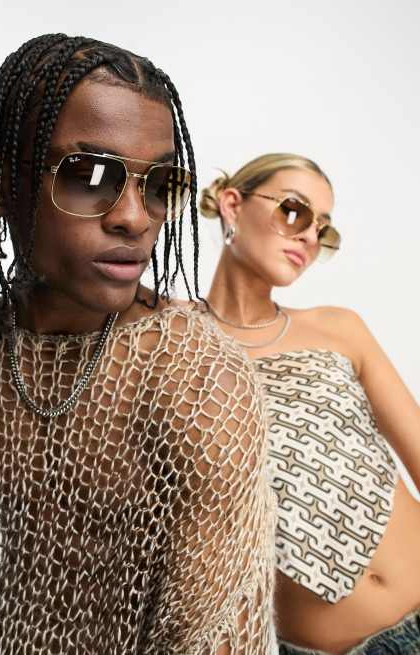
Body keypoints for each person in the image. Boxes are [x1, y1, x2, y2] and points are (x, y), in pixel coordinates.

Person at [0, 35, 276, 654]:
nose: (135, 217)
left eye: (159, 184)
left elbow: (216, 636)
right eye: (90, 175)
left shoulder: (198, 382)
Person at [200, 153, 420, 655]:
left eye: (323, 229)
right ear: (232, 204)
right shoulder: (176, 344)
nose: (309, 237)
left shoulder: (338, 328)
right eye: (294, 211)